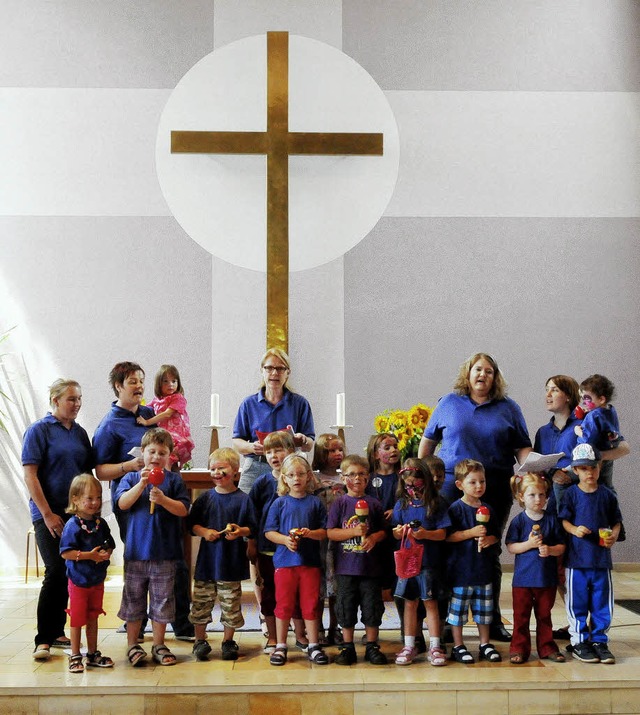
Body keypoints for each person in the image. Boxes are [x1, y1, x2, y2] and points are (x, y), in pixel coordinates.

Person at [418, 352, 532, 641]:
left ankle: (491, 618)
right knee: (447, 549)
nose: (483, 375)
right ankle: (444, 620)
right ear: (467, 374)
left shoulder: (509, 408)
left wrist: (536, 469)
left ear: (496, 377)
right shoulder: (448, 403)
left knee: (488, 548)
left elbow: (522, 450)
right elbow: (427, 446)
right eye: (477, 369)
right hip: (449, 489)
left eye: (489, 371)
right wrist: (422, 483)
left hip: (492, 488)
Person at [93, 361, 193, 641]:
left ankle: (180, 624)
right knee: (140, 561)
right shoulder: (109, 424)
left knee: (175, 562)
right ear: (118, 386)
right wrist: (131, 466)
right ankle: (134, 623)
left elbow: (168, 442)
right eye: (133, 382)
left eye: (141, 381)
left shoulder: (150, 413)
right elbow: (101, 471)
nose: (139, 387)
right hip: (132, 499)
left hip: (163, 495)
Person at [23, 378, 94, 661]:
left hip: (74, 515)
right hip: (47, 513)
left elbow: (86, 475)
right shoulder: (39, 431)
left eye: (79, 398)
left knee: (70, 572)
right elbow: (30, 475)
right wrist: (48, 514)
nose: (76, 404)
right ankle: (43, 639)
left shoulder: (80, 433)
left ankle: (57, 631)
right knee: (55, 571)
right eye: (71, 399)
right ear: (55, 401)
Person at [114, 428, 190, 667]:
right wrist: (142, 485)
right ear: (143, 453)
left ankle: (159, 643)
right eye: (152, 452)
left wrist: (163, 499)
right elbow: (122, 504)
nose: (156, 457)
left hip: (165, 553)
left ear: (170, 456)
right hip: (136, 552)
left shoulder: (175, 480)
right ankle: (132, 644)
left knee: (162, 600)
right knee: (133, 599)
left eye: (162, 452)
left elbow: (183, 509)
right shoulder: (131, 478)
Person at [188, 448, 256, 662]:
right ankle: (200, 640)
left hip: (231, 565)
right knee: (201, 604)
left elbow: (251, 528)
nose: (216, 473)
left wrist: (240, 532)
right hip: (206, 565)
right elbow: (192, 525)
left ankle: (228, 641)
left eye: (222, 468)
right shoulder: (205, 498)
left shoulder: (243, 499)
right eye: (213, 469)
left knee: (231, 605)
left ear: (236, 472)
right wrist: (204, 532)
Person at [559, 444, 622, 664]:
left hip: (601, 560)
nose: (590, 473)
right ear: (575, 471)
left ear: (599, 466)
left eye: (593, 467)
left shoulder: (607, 495)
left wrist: (613, 535)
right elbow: (564, 521)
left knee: (601, 600)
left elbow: (616, 521)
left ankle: (599, 640)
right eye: (584, 469)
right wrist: (575, 529)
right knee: (577, 601)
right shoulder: (571, 495)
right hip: (577, 561)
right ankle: (578, 640)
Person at [264, 454, 329, 666]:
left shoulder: (315, 503)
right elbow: (269, 532)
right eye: (291, 475)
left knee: (310, 604)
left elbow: (324, 532)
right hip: (285, 563)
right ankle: (281, 645)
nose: (296, 479)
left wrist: (310, 534)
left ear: (308, 476)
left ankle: (313, 644)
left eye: (301, 474)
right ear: (284, 479)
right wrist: (285, 540)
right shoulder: (279, 503)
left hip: (309, 563)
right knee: (284, 604)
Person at [248, 430, 307, 652]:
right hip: (268, 551)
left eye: (279, 450)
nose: (274, 456)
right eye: (269, 451)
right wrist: (252, 543)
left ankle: (301, 635)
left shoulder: (300, 482)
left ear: (291, 452)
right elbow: (252, 517)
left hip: (295, 551)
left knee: (297, 594)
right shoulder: (262, 483)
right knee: (270, 594)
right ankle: (273, 637)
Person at [327, 455, 388, 666]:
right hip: (346, 568)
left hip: (370, 568)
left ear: (368, 477)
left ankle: (372, 645)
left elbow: (383, 531)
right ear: (344, 478)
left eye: (361, 474)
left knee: (372, 606)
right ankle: (347, 646)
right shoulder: (340, 504)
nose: (357, 478)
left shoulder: (374, 503)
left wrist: (372, 537)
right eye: (351, 474)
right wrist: (353, 531)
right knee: (346, 606)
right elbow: (331, 533)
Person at [391, 458, 450, 666]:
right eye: (408, 486)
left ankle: (435, 645)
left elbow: (442, 533)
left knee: (430, 603)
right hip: (408, 564)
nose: (413, 490)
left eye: (417, 485)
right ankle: (410, 644)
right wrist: (399, 533)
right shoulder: (402, 504)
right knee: (409, 603)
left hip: (428, 563)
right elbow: (396, 532)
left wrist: (425, 534)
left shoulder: (436, 503)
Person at [232, 348, 315, 494]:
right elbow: (237, 442)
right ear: (262, 371)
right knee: (246, 510)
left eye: (280, 368)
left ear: (287, 372)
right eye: (269, 368)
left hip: (290, 467)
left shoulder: (300, 403)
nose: (274, 373)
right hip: (256, 465)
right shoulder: (249, 404)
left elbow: (309, 444)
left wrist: (302, 439)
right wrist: (252, 447)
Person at [445, 459, 502, 665]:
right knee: (458, 612)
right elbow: (448, 536)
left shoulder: (488, 508)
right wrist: (471, 532)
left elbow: (496, 534)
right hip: (461, 571)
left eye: (482, 481)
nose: (479, 486)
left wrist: (489, 539)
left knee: (483, 612)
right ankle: (458, 645)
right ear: (460, 485)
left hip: (483, 570)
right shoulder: (455, 509)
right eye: (473, 482)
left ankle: (485, 643)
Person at [506, 473, 566, 664]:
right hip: (523, 580)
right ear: (521, 497)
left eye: (541, 495)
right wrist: (529, 544)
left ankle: (547, 646)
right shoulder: (519, 521)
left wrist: (550, 549)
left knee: (544, 615)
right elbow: (511, 547)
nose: (538, 499)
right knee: (521, 616)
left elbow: (562, 547)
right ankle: (519, 648)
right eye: (532, 495)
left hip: (546, 579)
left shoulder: (551, 520)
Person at [59, 473, 116, 672]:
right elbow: (66, 553)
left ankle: (92, 653)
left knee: (93, 617)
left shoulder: (101, 524)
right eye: (89, 498)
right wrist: (88, 556)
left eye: (98, 497)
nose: (95, 502)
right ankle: (75, 655)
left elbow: (110, 544)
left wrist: (106, 553)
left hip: (96, 580)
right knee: (77, 619)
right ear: (75, 499)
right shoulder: (72, 525)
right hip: (78, 581)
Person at [311, 432, 346, 645]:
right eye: (331, 450)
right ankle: (319, 629)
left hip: (340, 540)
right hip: (318, 541)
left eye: (340, 449)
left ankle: (336, 627)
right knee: (318, 588)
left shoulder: (346, 477)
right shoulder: (312, 478)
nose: (337, 454)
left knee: (337, 587)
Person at [533, 375, 582, 511]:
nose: (548, 394)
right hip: (555, 502)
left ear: (569, 397)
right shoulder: (542, 433)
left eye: (554, 390)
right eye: (547, 389)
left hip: (581, 497)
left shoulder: (583, 426)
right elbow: (538, 467)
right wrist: (551, 473)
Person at [575, 374, 629, 494]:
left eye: (587, 399)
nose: (583, 402)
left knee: (593, 484)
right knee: (606, 483)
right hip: (608, 452)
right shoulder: (610, 410)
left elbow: (587, 439)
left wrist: (578, 431)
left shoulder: (593, 416)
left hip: (592, 456)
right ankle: (611, 498)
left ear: (601, 399)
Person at [136, 364, 194, 469]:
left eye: (174, 381)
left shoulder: (178, 398)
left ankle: (166, 481)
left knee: (167, 459)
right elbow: (145, 409)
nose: (170, 384)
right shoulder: (157, 400)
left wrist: (147, 422)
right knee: (159, 457)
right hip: (163, 435)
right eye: (165, 381)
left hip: (176, 436)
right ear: (159, 384)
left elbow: (167, 414)